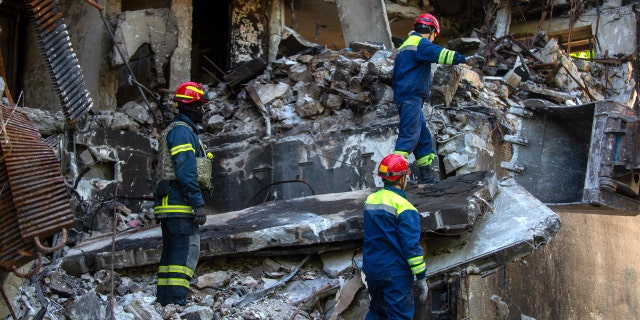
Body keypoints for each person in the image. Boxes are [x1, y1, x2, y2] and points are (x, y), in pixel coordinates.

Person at [392, 13, 485, 184]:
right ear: (430, 30)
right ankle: (395, 177)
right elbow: (441, 54)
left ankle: (426, 176)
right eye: (434, 35)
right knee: (409, 136)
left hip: (409, 97)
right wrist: (465, 59)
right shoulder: (420, 43)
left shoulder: (406, 45)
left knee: (423, 138)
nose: (433, 39)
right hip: (410, 96)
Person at [153, 81, 212, 306]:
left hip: (169, 203)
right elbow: (186, 170)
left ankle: (165, 303)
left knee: (170, 256)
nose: (203, 110)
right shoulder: (182, 132)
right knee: (184, 255)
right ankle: (176, 302)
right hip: (180, 204)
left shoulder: (175, 130)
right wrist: (197, 204)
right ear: (191, 106)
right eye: (201, 106)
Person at [362, 154, 429, 319]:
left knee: (377, 312)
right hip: (395, 273)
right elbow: (411, 246)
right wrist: (421, 277)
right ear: (403, 178)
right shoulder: (405, 207)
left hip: (372, 270)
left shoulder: (371, 200)